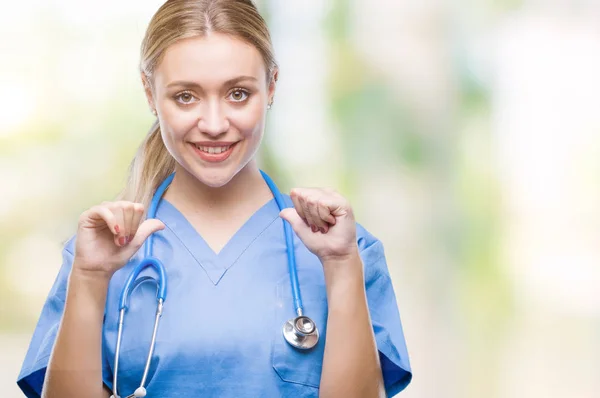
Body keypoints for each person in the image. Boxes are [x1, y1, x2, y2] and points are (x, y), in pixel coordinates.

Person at [16, 0, 412, 397]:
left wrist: (341, 265)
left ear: (271, 86)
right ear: (150, 94)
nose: (215, 124)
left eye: (238, 94)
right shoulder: (98, 253)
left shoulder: (345, 248)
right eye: (186, 96)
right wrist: (89, 278)